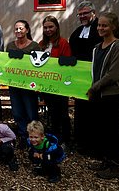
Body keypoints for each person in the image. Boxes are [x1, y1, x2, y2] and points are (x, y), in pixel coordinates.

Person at [86, 12, 119, 179]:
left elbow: (113, 75)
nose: (100, 28)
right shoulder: (97, 48)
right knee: (103, 129)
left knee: (115, 130)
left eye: (104, 25)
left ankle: (117, 166)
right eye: (99, 25)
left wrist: (93, 88)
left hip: (115, 95)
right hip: (100, 95)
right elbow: (94, 71)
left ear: (113, 27)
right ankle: (107, 161)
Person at [69, 1, 102, 155]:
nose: (82, 16)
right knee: (80, 110)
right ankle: (80, 142)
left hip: (95, 76)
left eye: (85, 13)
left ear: (93, 13)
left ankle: (93, 145)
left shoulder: (99, 30)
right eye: (80, 14)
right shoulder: (77, 32)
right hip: (79, 78)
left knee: (94, 111)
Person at [6, 20, 41, 149]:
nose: (18, 31)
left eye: (21, 28)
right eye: (16, 29)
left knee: (31, 112)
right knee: (17, 112)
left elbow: (39, 67)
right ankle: (23, 135)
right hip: (14, 85)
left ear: (27, 30)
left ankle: (35, 137)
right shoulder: (10, 46)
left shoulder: (34, 46)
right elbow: (7, 64)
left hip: (29, 86)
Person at [39, 15, 72, 147]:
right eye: (45, 27)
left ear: (56, 27)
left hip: (59, 85)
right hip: (46, 85)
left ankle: (66, 139)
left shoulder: (63, 43)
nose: (48, 30)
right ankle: (55, 138)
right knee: (53, 113)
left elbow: (67, 62)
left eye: (51, 27)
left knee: (63, 113)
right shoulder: (42, 44)